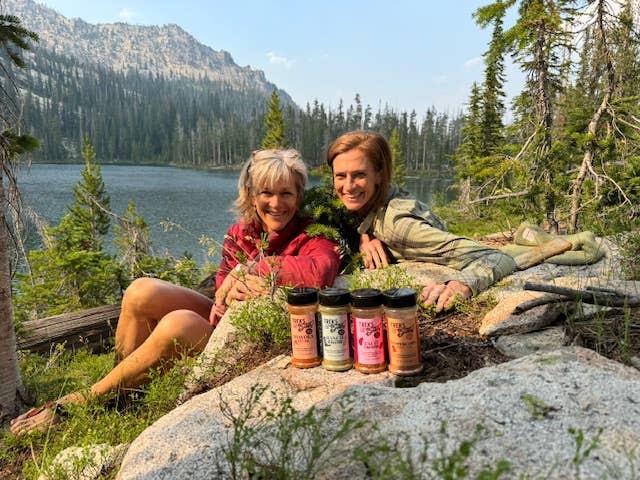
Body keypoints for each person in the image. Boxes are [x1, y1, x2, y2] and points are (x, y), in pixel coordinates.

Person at [10, 149, 340, 436]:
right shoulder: (242, 232)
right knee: (140, 290)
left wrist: (254, 269)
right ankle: (120, 393)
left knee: (178, 323)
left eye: (286, 193)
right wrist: (227, 290)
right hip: (221, 320)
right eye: (266, 192)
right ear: (253, 195)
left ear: (299, 196)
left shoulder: (314, 232)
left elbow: (320, 270)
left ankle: (80, 403)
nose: (276, 203)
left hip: (243, 337)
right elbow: (221, 289)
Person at [327, 130, 516, 312]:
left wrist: (461, 285)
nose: (348, 186)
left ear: (379, 174)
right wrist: (364, 234)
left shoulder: (399, 226)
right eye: (340, 176)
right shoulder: (364, 202)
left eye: (359, 175)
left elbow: (497, 257)